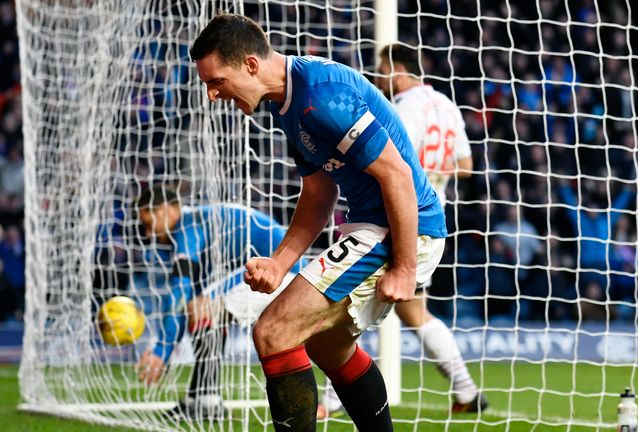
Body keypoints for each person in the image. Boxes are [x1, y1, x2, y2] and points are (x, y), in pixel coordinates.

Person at [190, 13, 447, 432]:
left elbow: (397, 173)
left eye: (216, 80)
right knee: (329, 345)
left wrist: (404, 269)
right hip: (373, 226)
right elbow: (318, 195)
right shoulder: (287, 106)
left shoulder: (320, 96)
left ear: (250, 65)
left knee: (274, 330)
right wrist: (278, 262)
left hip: (400, 229)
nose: (213, 95)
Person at [319, 43, 486, 418]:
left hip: (397, 219)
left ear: (396, 69)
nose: (379, 78)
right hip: (433, 222)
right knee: (414, 314)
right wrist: (433, 173)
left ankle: (330, 401)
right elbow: (467, 164)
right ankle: (466, 389)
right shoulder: (446, 104)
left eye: (381, 70)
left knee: (343, 300)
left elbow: (393, 162)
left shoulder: (404, 108)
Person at [134, 184, 305, 420]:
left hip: (283, 271)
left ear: (164, 210)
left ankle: (207, 399)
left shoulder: (190, 225)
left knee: (202, 307)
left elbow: (180, 291)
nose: (147, 233)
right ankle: (199, 396)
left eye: (147, 223)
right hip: (279, 269)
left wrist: (162, 350)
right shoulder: (200, 222)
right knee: (201, 306)